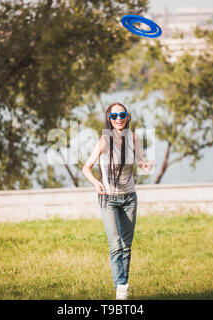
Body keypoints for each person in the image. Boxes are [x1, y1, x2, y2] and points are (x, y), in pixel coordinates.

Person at [82, 102, 154, 300]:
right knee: (115, 244)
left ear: (127, 116)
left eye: (122, 114)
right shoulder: (104, 141)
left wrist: (144, 164)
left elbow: (138, 159)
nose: (119, 118)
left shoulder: (133, 137)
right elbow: (86, 168)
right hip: (109, 199)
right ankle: (121, 288)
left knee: (126, 246)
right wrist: (97, 184)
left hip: (130, 198)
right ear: (109, 119)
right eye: (114, 116)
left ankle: (123, 284)